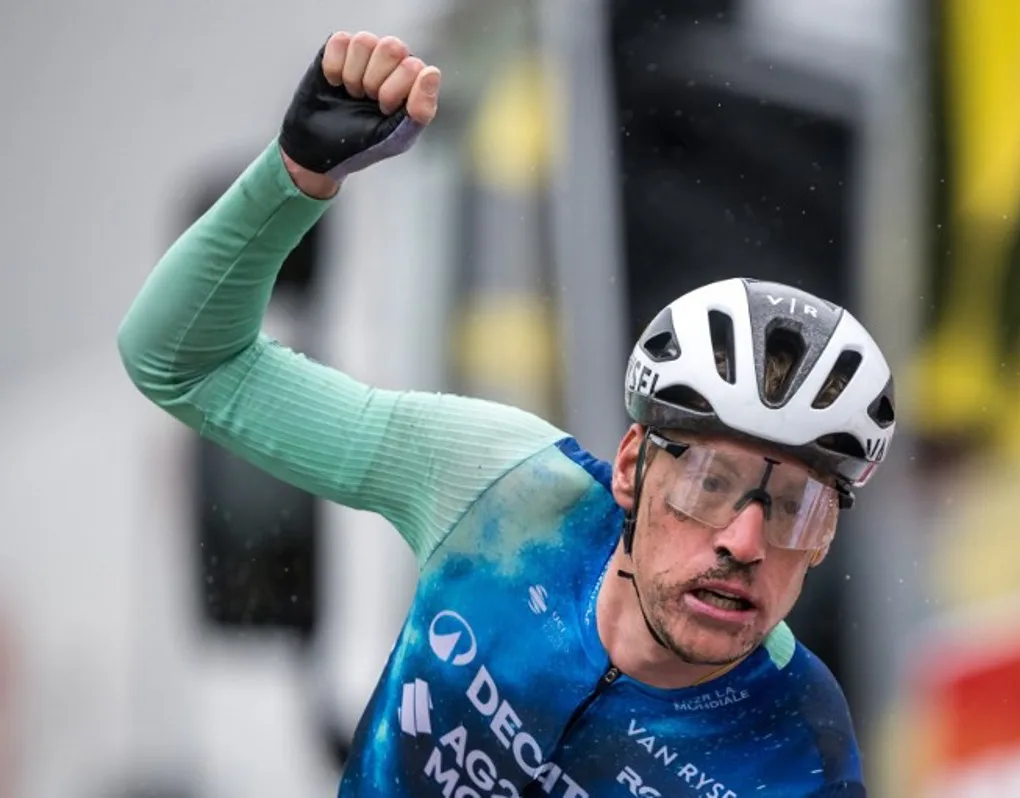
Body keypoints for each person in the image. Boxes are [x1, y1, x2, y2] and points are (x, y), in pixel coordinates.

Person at [118, 30, 896, 798]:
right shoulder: (510, 496)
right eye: (710, 482)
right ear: (631, 466)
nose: (745, 541)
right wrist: (295, 177)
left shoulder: (797, 753)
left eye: (798, 507)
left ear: (825, 540)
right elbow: (183, 360)